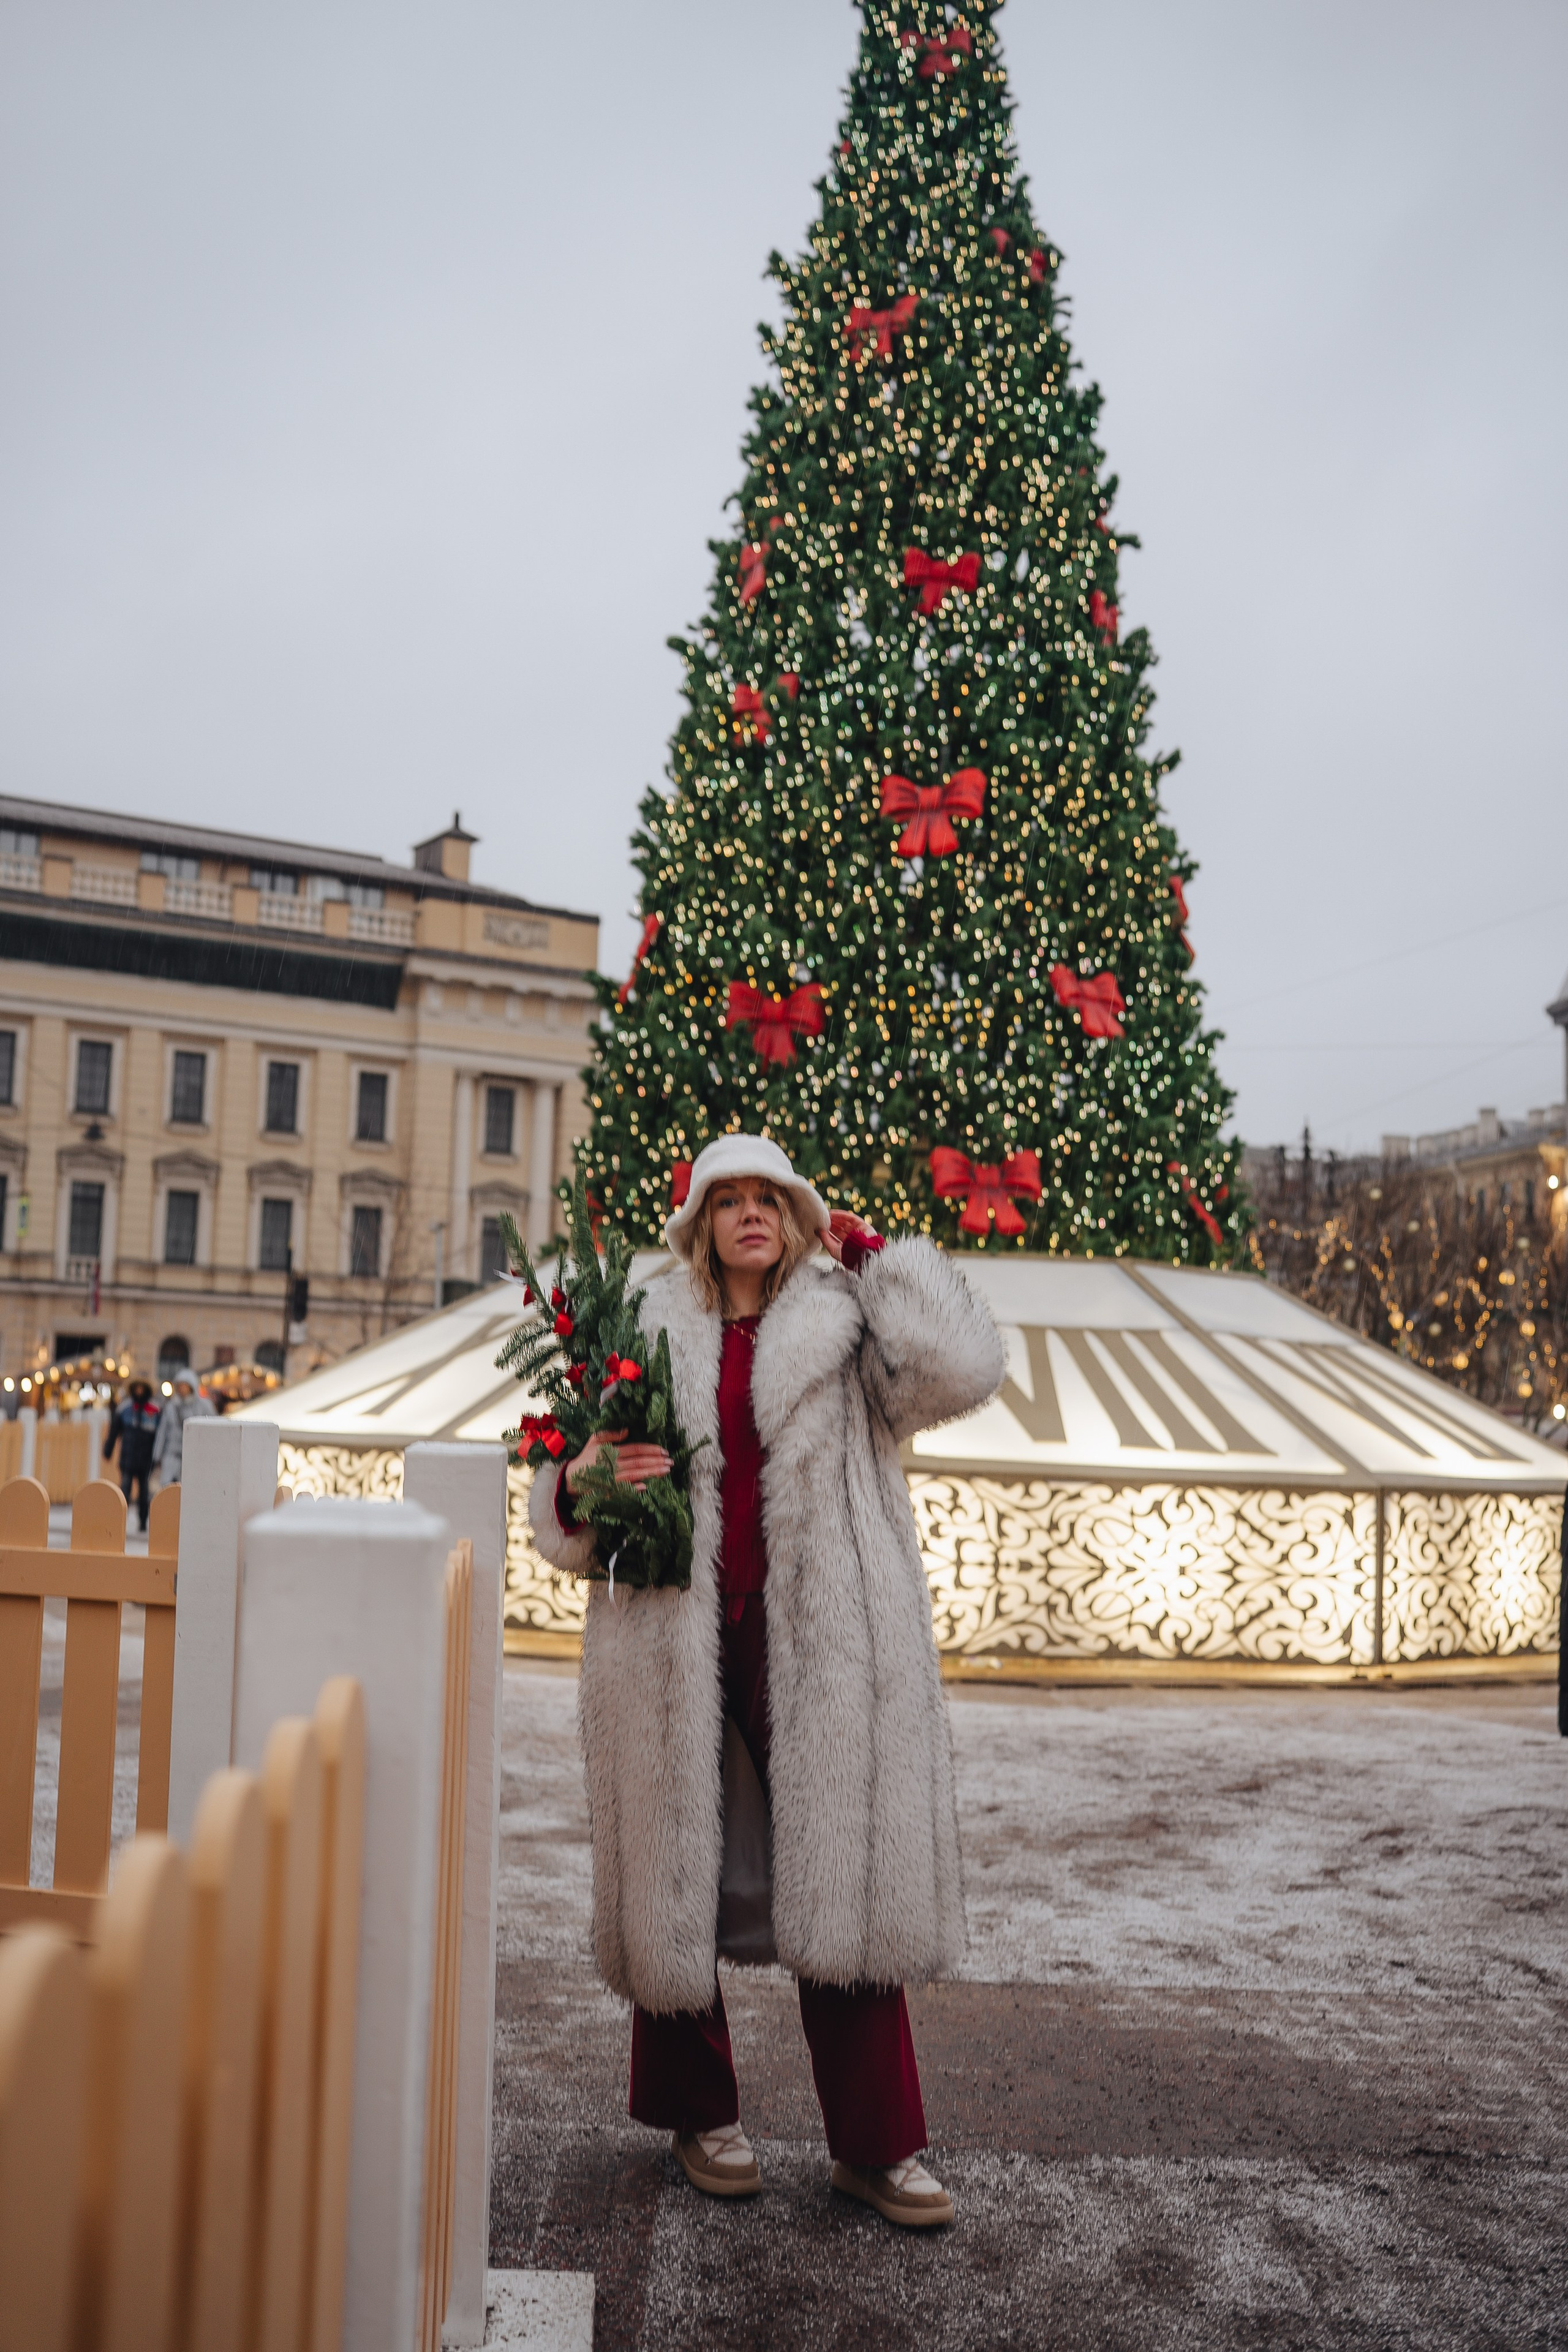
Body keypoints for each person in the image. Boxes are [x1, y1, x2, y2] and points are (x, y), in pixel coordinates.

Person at [529, 1134, 1003, 2228]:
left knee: (844, 1879)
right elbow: (560, 1494)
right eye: (727, 1199)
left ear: (797, 1213)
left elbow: (961, 1370)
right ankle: (700, 2115)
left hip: (827, 1641)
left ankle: (878, 2147)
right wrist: (581, 1479)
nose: (750, 1215)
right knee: (671, 1868)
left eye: (769, 1198)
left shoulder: (846, 1324)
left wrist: (873, 1251)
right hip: (673, 1637)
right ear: (700, 1220)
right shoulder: (645, 1324)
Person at [102, 1378, 160, 1531]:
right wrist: (108, 1449)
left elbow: (159, 1436)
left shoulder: (154, 1410)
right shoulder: (125, 1409)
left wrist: (157, 1456)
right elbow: (114, 1432)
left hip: (146, 1459)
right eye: (137, 1388)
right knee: (124, 1491)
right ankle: (121, 1520)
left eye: (142, 1388)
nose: (139, 1391)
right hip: (128, 1457)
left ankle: (142, 1522)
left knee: (144, 1493)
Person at [151, 1370, 215, 1485]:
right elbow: (163, 1431)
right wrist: (157, 1454)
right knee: (167, 1488)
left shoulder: (204, 1406)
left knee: (191, 1487)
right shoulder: (171, 1406)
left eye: (184, 1386)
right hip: (172, 1454)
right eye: (180, 1386)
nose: (182, 1389)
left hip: (195, 1456)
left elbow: (213, 1430)